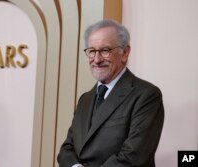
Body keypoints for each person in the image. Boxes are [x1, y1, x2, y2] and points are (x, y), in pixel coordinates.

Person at [57, 19, 164, 167]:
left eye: (105, 50)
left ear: (125, 52)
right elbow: (66, 149)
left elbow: (134, 157)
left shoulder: (146, 95)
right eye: (92, 51)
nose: (97, 59)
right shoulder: (85, 99)